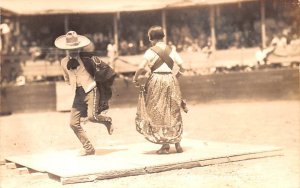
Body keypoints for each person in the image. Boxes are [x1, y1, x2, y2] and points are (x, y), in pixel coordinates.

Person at [54, 31, 115, 156]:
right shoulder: (64, 62)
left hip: (91, 89)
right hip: (78, 93)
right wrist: (74, 85)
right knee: (73, 123)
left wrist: (99, 80)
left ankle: (107, 120)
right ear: (66, 49)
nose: (73, 51)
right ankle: (89, 148)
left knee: (92, 117)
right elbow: (66, 78)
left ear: (79, 48)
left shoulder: (88, 58)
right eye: (70, 49)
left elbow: (105, 70)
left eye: (76, 48)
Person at [133, 26, 186, 154]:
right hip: (171, 80)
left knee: (159, 111)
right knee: (173, 109)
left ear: (151, 39)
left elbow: (141, 67)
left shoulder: (150, 51)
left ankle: (165, 146)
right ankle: (178, 144)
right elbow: (182, 67)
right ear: (163, 37)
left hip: (156, 80)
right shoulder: (172, 50)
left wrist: (135, 78)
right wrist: (174, 77)